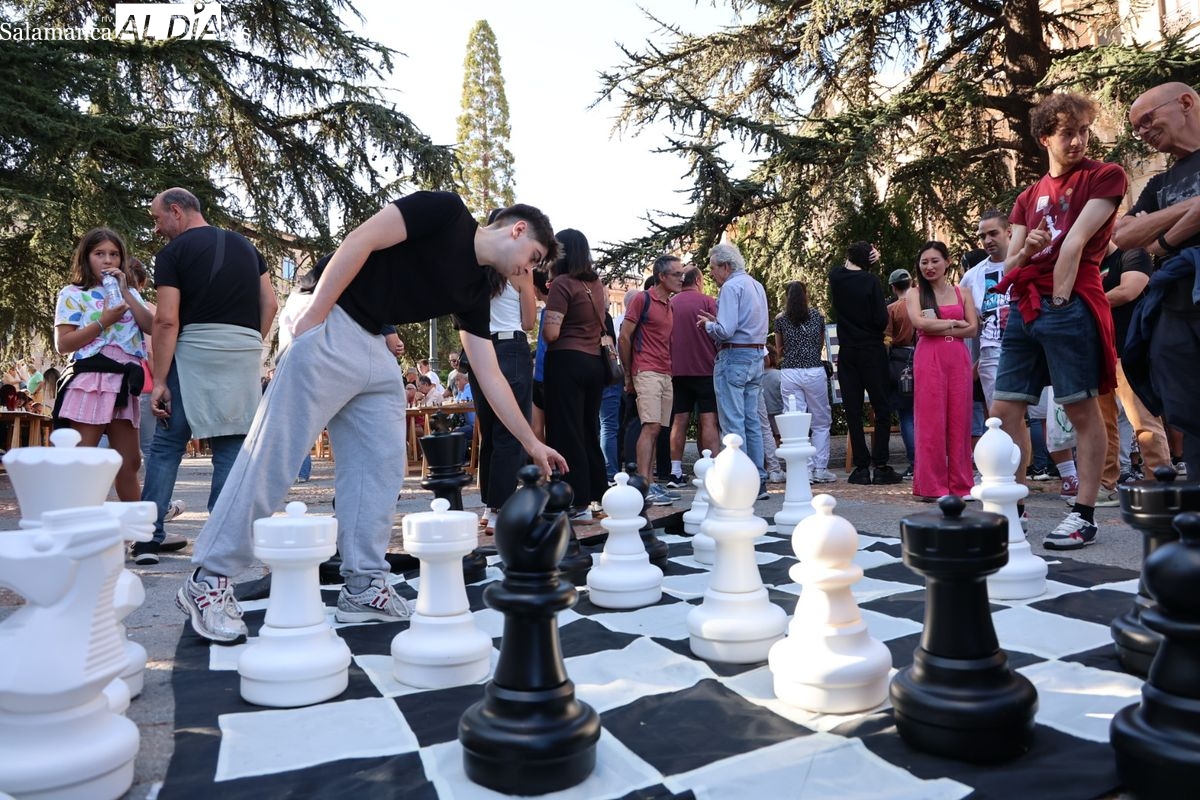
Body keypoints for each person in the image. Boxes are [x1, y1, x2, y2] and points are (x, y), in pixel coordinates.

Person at [175, 192, 565, 644]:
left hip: (371, 339)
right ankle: (208, 578)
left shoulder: (477, 289)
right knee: (275, 450)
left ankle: (363, 585)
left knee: (380, 464)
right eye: (534, 258)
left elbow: (491, 374)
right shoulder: (448, 213)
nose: (528, 271)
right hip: (327, 311)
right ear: (518, 230)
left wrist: (532, 444)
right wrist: (312, 319)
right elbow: (360, 240)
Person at [991, 92, 1127, 550]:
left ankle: (1084, 514)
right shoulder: (1028, 196)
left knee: (1080, 409)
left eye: (1084, 131)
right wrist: (1026, 248)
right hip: (1026, 306)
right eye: (1068, 133)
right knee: (1003, 411)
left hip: (1068, 301)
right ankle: (1014, 507)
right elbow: (1008, 269)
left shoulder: (1105, 175)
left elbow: (1075, 245)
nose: (1079, 141)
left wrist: (1062, 301)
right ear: (1045, 138)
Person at [136, 188, 279, 567]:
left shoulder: (173, 253)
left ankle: (149, 539)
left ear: (177, 211)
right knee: (231, 447)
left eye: (157, 218)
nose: (156, 227)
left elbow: (166, 320)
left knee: (167, 445)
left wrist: (161, 379)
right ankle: (222, 539)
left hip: (193, 352)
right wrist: (249, 343)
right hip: (243, 352)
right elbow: (271, 303)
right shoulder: (248, 248)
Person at [1113, 81, 1200, 480]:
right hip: (1176, 307)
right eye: (1137, 128)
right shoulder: (1158, 183)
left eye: (1148, 119)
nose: (1143, 132)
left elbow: (1144, 236)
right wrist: (1187, 213)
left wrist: (1160, 238)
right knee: (1189, 413)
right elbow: (1125, 235)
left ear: (1185, 103)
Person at [52, 228, 155, 504]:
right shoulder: (73, 293)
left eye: (114, 255)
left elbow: (150, 327)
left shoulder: (130, 292)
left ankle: (138, 534)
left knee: (129, 462)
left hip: (125, 382)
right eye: (100, 254)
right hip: (91, 380)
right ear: (86, 258)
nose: (108, 261)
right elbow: (64, 344)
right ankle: (78, 528)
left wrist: (126, 293)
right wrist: (104, 321)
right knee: (84, 460)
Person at [468, 211, 536, 527]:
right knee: (511, 430)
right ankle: (500, 509)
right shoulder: (521, 270)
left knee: (489, 431)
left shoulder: (478, 266)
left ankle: (488, 507)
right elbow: (528, 321)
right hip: (511, 347)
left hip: (479, 348)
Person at [541, 228, 609, 519]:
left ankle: (576, 501)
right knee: (589, 430)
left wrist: (548, 304)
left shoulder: (562, 284)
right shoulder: (597, 284)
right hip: (595, 363)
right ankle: (597, 495)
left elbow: (551, 333)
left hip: (566, 362)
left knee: (566, 432)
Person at [1097, 242, 1171, 504]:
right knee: (1102, 426)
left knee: (1144, 422)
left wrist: (1087, 301)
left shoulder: (1133, 255)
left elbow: (1128, 291)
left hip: (1130, 353)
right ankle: (1106, 486)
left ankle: (1160, 487)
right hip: (1099, 353)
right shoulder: (1089, 264)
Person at [699, 242, 771, 499]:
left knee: (733, 421)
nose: (712, 275)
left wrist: (709, 326)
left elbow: (726, 330)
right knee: (752, 421)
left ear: (726, 266)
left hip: (734, 355)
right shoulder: (756, 285)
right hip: (755, 355)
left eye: (714, 269)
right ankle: (759, 479)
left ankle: (739, 481)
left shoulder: (731, 287)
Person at [906, 242, 978, 500]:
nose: (929, 266)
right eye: (924, 262)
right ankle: (931, 486)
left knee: (960, 418)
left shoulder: (964, 292)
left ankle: (961, 484)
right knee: (930, 421)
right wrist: (952, 322)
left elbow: (972, 328)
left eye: (935, 260)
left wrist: (940, 327)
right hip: (929, 356)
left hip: (958, 356)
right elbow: (919, 323)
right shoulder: (914, 293)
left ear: (947, 262)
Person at [828, 241, 902, 486]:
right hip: (871, 350)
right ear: (868, 262)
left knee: (852, 409)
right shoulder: (870, 282)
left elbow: (842, 269)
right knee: (881, 407)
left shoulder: (836, 278)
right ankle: (880, 465)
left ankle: (860, 468)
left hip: (847, 352)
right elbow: (881, 319)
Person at [620, 255, 686, 504]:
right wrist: (628, 373)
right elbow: (624, 337)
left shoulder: (669, 305)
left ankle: (650, 484)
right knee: (650, 426)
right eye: (677, 274)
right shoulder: (642, 299)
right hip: (646, 370)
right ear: (662, 276)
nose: (682, 278)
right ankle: (642, 486)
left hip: (665, 372)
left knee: (657, 428)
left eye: (682, 274)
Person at [774, 280, 836, 483]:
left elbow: (779, 348)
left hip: (790, 371)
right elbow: (819, 343)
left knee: (796, 421)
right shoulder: (817, 316)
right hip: (813, 370)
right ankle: (820, 468)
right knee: (821, 421)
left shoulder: (781, 320)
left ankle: (803, 470)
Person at [667, 265, 720, 485]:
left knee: (679, 420)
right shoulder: (708, 302)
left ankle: (676, 471)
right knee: (708, 420)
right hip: (706, 369)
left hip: (677, 370)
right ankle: (713, 470)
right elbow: (720, 332)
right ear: (698, 280)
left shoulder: (670, 304)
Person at [883, 269, 916, 479]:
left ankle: (915, 463)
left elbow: (886, 341)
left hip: (899, 361)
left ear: (893, 287)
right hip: (924, 357)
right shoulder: (923, 304)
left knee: (906, 416)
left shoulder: (891, 309)